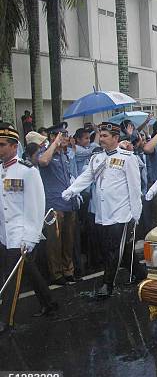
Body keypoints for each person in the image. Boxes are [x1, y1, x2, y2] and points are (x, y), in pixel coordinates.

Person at [61, 121, 142, 298]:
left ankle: (107, 284)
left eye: (105, 136)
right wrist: (71, 190)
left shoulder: (128, 158)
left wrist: (135, 215)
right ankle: (140, 272)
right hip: (103, 212)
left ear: (116, 138)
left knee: (113, 249)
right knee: (115, 248)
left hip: (121, 212)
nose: (101, 139)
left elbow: (135, 189)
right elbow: (86, 177)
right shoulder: (96, 158)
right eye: (101, 135)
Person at [0, 123, 57, 334]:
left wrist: (31, 237)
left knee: (11, 278)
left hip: (21, 234)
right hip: (5, 234)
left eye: (2, 145)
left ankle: (6, 319)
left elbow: (36, 206)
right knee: (30, 271)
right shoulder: (1, 170)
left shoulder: (27, 171)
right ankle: (49, 303)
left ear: (14, 146)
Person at [38, 122, 78, 285]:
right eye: (63, 135)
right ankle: (56, 274)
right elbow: (43, 162)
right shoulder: (46, 152)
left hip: (69, 203)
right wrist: (54, 144)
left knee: (68, 240)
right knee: (54, 242)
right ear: (54, 137)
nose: (67, 138)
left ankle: (68, 270)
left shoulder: (66, 155)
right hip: (54, 205)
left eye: (67, 135)